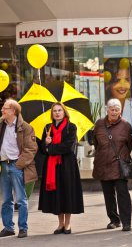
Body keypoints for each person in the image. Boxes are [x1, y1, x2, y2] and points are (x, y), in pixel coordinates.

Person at [38, 102, 84, 234]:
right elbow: (42, 150)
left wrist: (50, 148)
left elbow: (68, 147)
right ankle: (60, 224)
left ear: (64, 112)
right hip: (52, 166)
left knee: (67, 192)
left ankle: (68, 224)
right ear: (52, 113)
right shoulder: (48, 128)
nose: (57, 113)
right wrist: (45, 143)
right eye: (55, 111)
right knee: (57, 194)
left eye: (59, 110)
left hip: (67, 165)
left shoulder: (71, 127)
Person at [92, 98, 132, 232]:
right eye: (112, 109)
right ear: (107, 110)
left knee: (123, 194)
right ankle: (114, 220)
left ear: (120, 111)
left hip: (119, 165)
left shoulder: (126, 125)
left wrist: (122, 156)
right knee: (108, 195)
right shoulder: (99, 124)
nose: (114, 112)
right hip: (103, 164)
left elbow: (130, 144)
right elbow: (96, 143)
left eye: (117, 110)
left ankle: (126, 222)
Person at [0, 99, 37, 238]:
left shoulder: (26, 127)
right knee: (6, 200)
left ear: (13, 111)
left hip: (17, 165)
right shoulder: (1, 124)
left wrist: (18, 164)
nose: (2, 110)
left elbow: (31, 149)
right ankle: (8, 227)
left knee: (21, 199)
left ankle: (23, 228)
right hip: (3, 165)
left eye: (5, 108)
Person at [105, 58, 132, 132]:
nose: (123, 85)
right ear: (108, 83)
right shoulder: (102, 107)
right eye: (117, 80)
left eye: (127, 79)